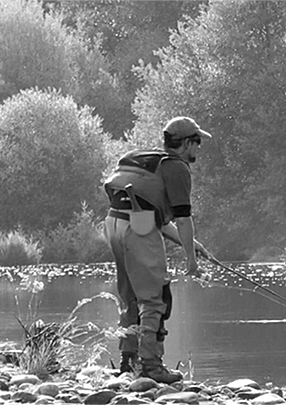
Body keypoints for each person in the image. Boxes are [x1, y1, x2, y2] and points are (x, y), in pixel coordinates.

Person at [103, 116, 212, 383]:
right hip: (137, 228)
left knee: (130, 296)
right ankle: (151, 365)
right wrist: (191, 262)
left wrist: (191, 245)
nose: (199, 148)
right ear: (186, 143)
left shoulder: (142, 158)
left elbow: (152, 215)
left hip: (113, 223)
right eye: (197, 142)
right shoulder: (177, 167)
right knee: (155, 298)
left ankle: (128, 361)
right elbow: (183, 219)